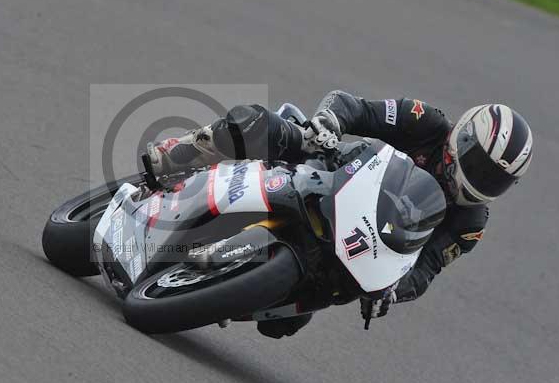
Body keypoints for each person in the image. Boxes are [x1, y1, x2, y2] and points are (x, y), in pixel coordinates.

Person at [146, 90, 533, 338]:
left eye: (495, 180)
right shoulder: (425, 121)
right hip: (332, 174)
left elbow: (426, 268)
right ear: (463, 138)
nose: (482, 182)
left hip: (359, 249)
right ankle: (178, 154)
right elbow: (355, 107)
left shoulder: (470, 223)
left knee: (283, 324)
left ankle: (217, 290)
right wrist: (330, 124)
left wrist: (395, 293)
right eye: (482, 168)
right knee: (257, 124)